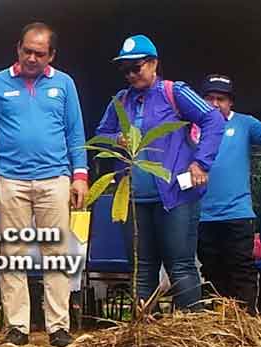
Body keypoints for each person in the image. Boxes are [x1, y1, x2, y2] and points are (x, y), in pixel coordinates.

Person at [0, 22, 88, 347]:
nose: (32, 58)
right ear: (18, 48)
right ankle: (17, 328)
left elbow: (75, 133)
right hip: (10, 178)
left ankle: (58, 328)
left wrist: (80, 175)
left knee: (56, 254)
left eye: (40, 53)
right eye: (27, 51)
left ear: (51, 55)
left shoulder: (64, 84)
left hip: (55, 178)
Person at [95, 35, 225, 312]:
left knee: (180, 265)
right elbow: (100, 135)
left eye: (136, 67)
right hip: (134, 198)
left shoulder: (174, 91)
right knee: (142, 269)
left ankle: (192, 334)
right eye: (125, 69)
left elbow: (213, 118)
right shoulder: (121, 100)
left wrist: (201, 162)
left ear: (153, 63)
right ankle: (145, 338)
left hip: (175, 195)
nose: (130, 74)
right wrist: (117, 138)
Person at [198, 74, 261, 314]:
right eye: (209, 98)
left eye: (221, 99)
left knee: (242, 272)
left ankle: (246, 329)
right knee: (212, 274)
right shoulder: (192, 127)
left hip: (237, 215)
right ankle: (219, 332)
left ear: (231, 102)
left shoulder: (245, 124)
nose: (215, 104)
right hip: (202, 217)